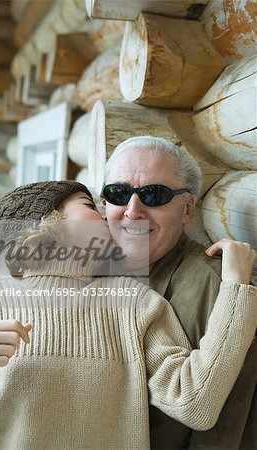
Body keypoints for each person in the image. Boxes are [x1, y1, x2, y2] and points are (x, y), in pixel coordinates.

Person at [0, 180, 256, 450]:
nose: (104, 216)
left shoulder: (135, 304)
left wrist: (236, 286)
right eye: (89, 206)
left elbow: (195, 402)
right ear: (48, 219)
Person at [102, 136, 257, 449]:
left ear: (187, 209)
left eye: (154, 195)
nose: (132, 211)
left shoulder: (220, 290)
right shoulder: (87, 272)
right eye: (118, 193)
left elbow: (227, 425)